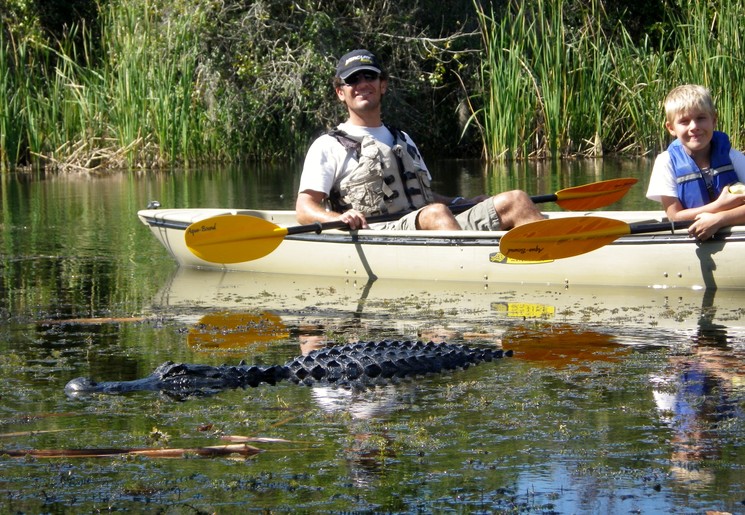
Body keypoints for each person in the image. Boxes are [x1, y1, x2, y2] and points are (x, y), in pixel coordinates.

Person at [296, 49, 545, 231]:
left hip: (431, 222)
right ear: (341, 92)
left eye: (369, 77)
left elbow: (424, 196)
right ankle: (473, 268)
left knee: (516, 200)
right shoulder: (328, 146)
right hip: (377, 234)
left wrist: (462, 202)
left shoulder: (402, 139)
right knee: (435, 215)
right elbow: (304, 209)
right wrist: (338, 219)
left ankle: (558, 254)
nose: (362, 84)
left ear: (382, 85)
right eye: (353, 80)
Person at [646, 84, 745, 240]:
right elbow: (674, 216)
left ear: (714, 120)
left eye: (701, 118)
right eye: (684, 121)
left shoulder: (733, 157)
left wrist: (720, 219)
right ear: (671, 128)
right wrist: (719, 206)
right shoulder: (666, 162)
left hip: (731, 228)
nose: (694, 127)